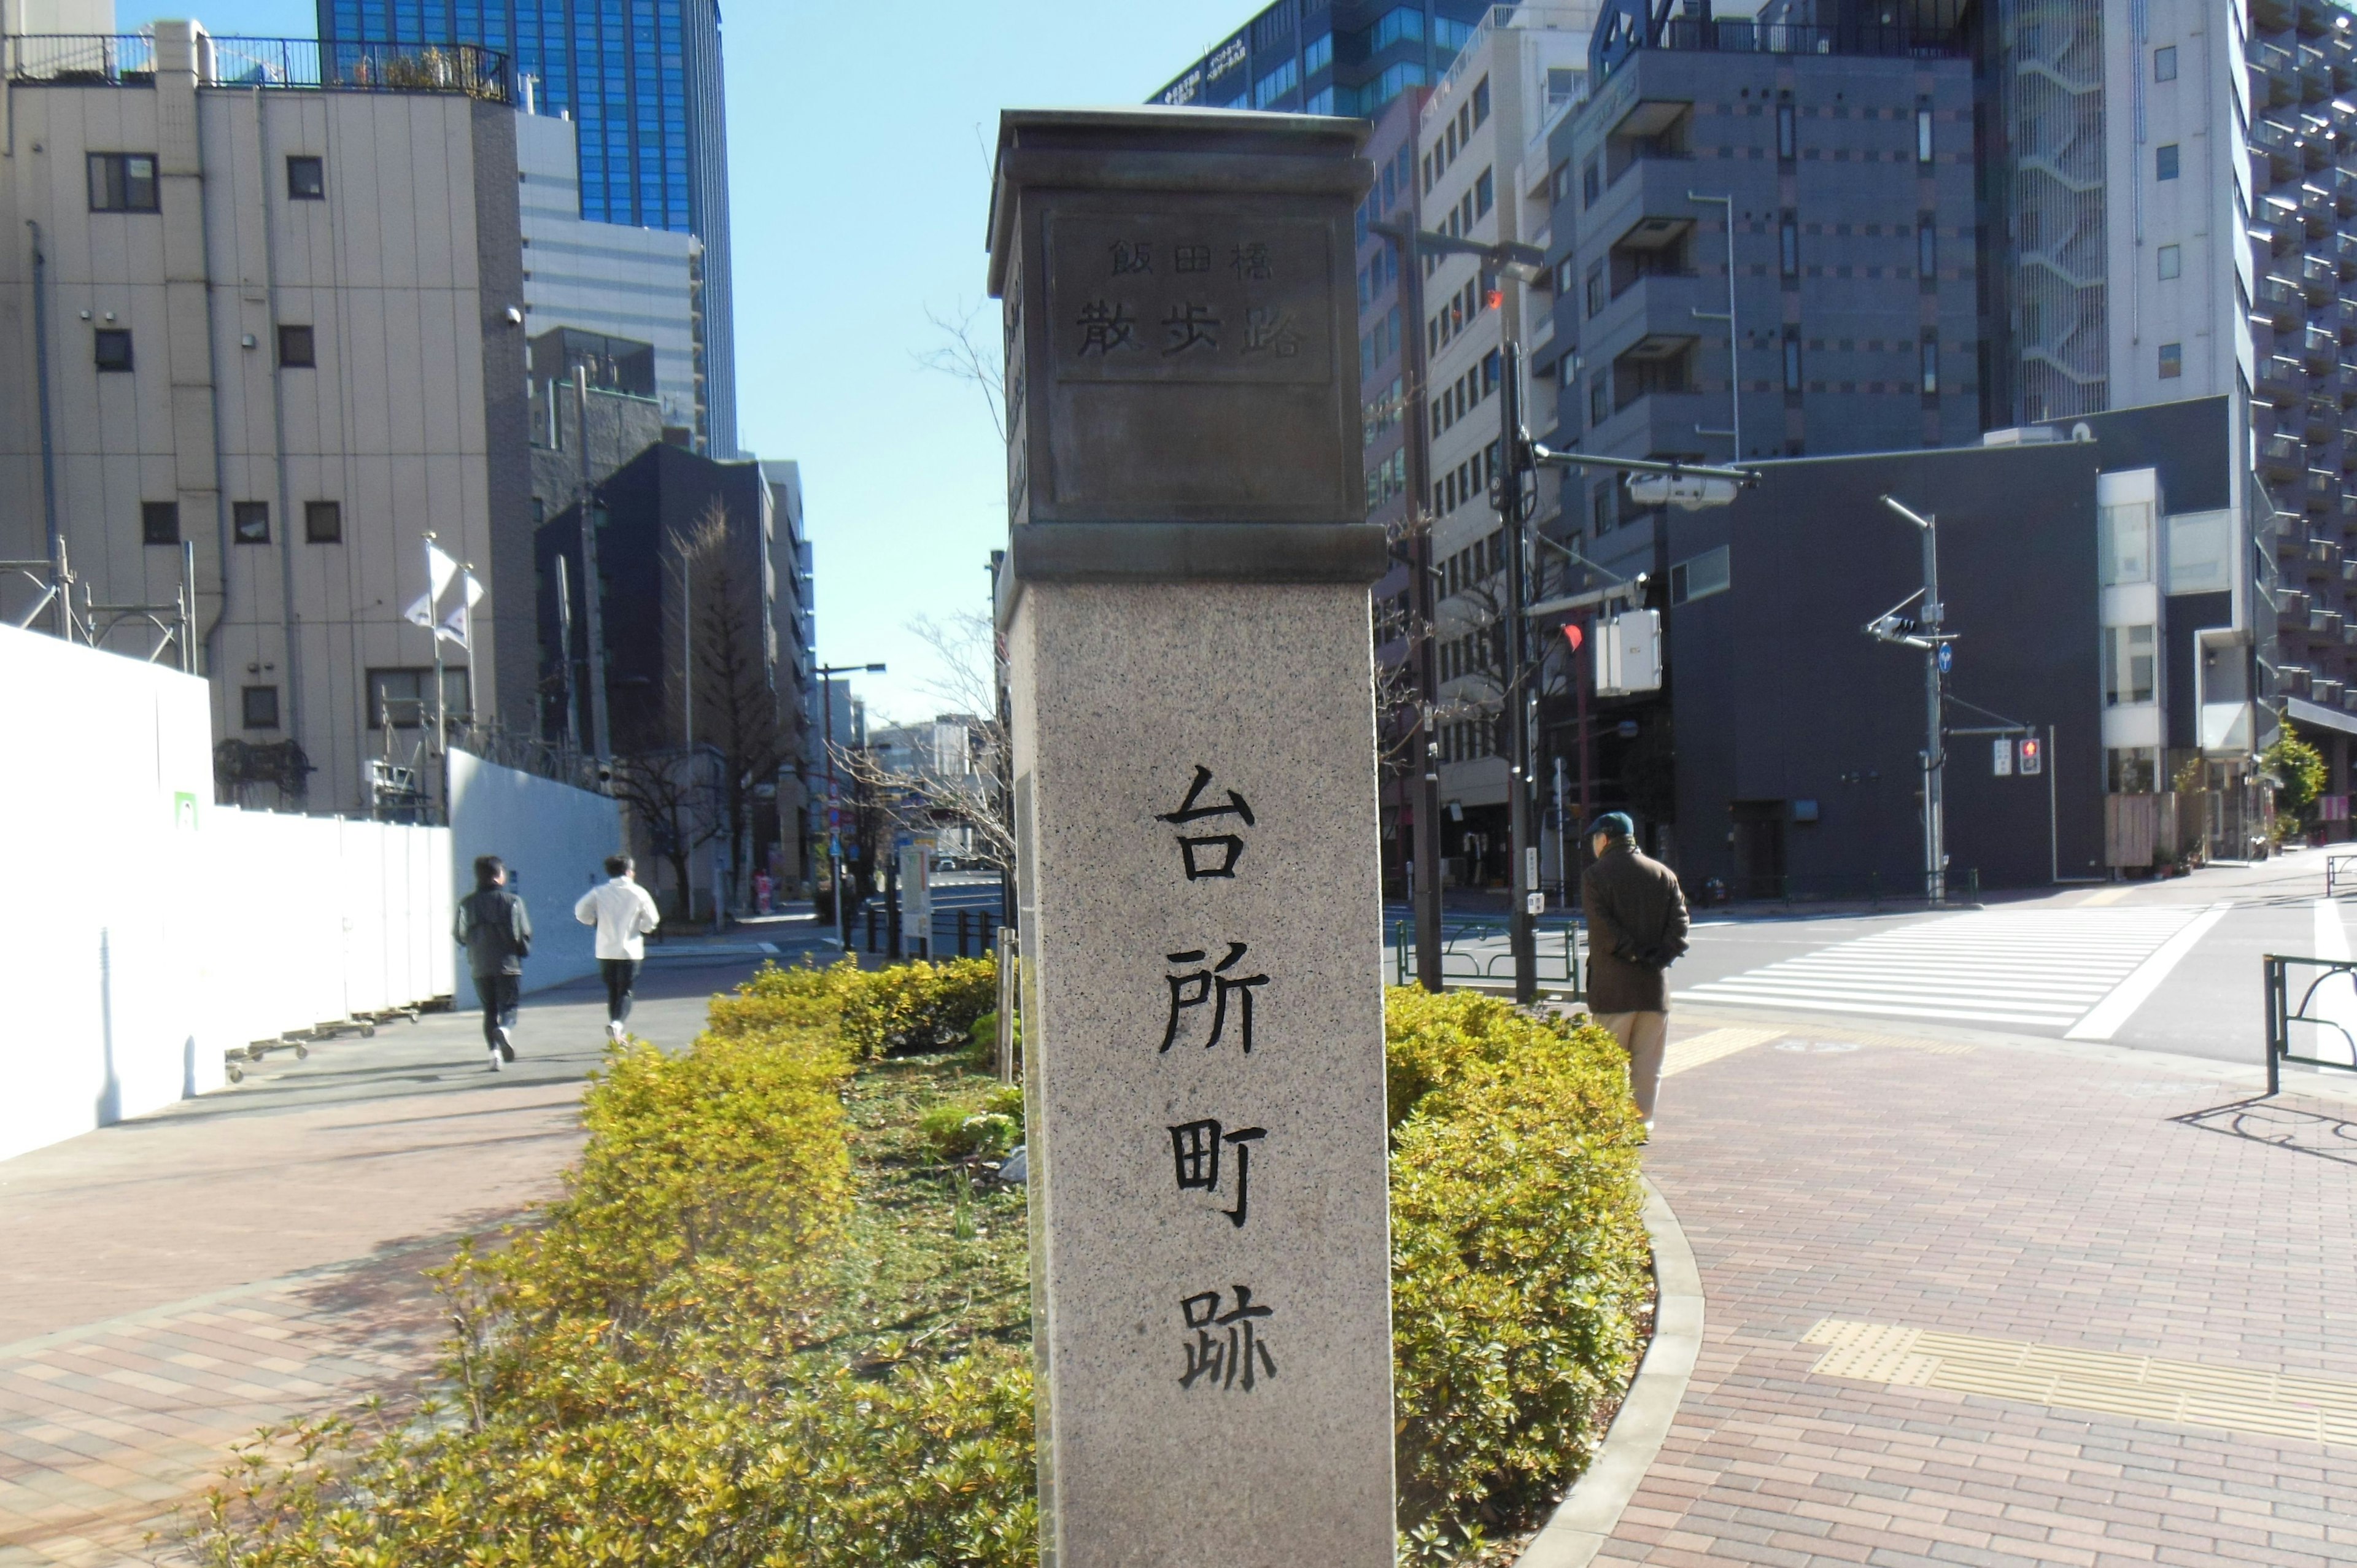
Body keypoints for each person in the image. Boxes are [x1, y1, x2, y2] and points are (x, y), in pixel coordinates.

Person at [1579, 813, 1689, 1132]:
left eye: (1594, 840)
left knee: (1610, 1062)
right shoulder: (1663, 874)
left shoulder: (1596, 876)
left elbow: (1603, 930)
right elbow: (1681, 928)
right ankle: (1641, 1125)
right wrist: (1657, 957)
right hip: (1654, 989)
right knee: (1647, 1065)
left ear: (1605, 839)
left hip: (1613, 990)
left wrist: (1633, 952)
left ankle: (1611, 1126)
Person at [454, 854, 532, 1071]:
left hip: (480, 965)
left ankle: (494, 1055)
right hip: (508, 964)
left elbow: (459, 934)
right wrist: (522, 949)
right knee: (509, 1008)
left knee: (489, 1010)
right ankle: (505, 1031)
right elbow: (522, 934)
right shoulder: (513, 902)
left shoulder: (466, 904)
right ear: (498, 876)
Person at [575, 854, 662, 1043]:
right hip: (630, 950)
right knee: (626, 991)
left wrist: (593, 921)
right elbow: (652, 919)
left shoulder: (599, 892)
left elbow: (580, 911)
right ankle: (617, 1024)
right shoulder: (639, 893)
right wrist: (643, 928)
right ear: (629, 871)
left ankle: (617, 1031)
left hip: (605, 950)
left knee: (613, 991)